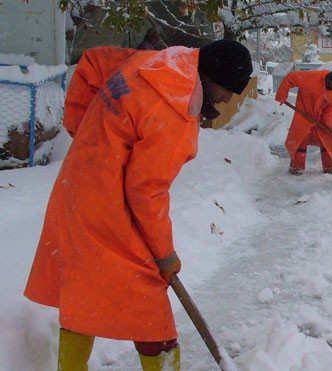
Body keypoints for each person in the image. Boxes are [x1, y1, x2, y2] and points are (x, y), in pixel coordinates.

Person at [24, 40, 252, 370]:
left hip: (77, 191)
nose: (228, 99)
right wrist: (164, 255)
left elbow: (92, 62)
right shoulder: (173, 109)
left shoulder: (153, 63)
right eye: (227, 88)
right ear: (210, 74)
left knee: (82, 295)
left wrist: (87, 132)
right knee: (150, 313)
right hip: (112, 210)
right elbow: (146, 191)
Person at [275, 69, 332, 175]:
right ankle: (296, 167)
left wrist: (326, 124)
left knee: (328, 138)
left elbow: (330, 108)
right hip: (303, 114)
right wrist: (282, 95)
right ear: (328, 79)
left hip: (320, 118)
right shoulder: (311, 77)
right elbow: (290, 77)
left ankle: (330, 167)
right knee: (300, 139)